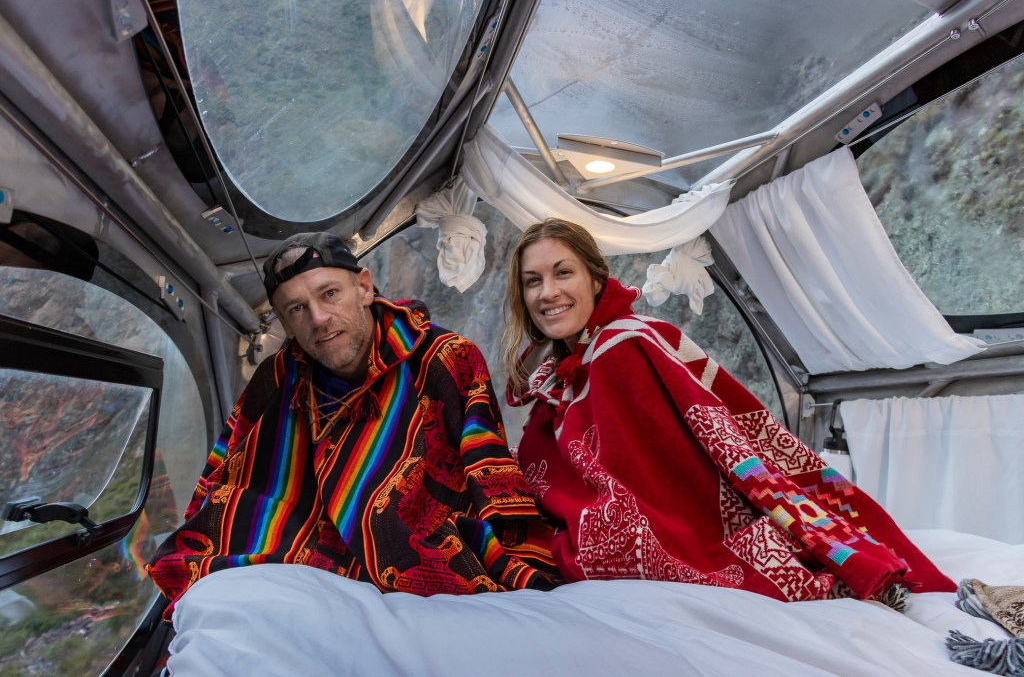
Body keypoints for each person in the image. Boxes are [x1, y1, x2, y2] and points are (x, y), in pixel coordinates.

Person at [502, 219, 955, 605]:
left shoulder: (625, 344)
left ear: (596, 280)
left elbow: (658, 471)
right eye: (533, 280)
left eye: (563, 273)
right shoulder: (560, 375)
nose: (549, 292)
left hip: (690, 526)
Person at [148, 232, 557, 613]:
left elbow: (490, 471)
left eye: (330, 294)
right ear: (285, 323)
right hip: (310, 555)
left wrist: (521, 566)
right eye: (296, 309)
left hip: (426, 552)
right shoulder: (278, 378)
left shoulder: (444, 357)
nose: (319, 318)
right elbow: (225, 470)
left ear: (363, 287)